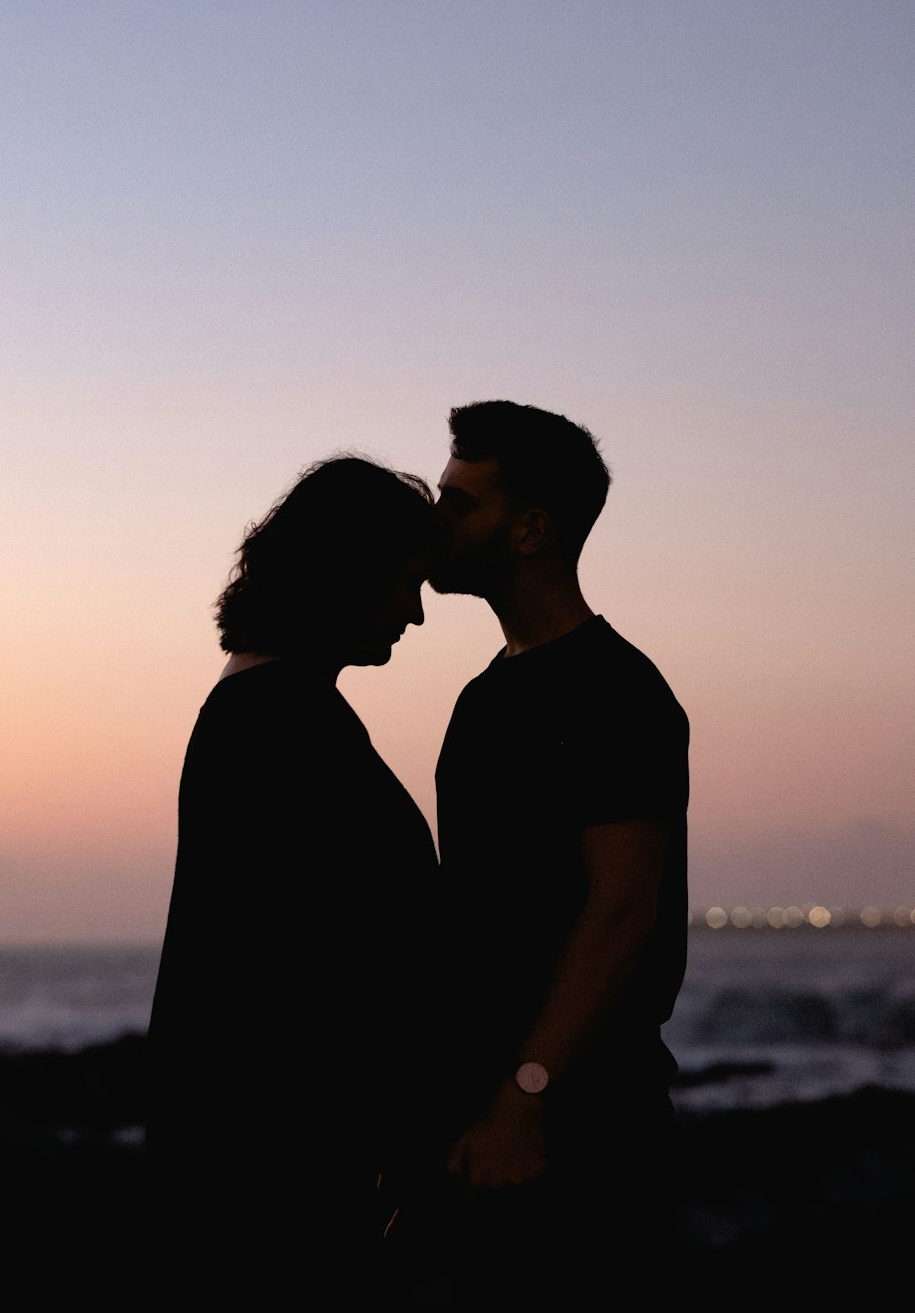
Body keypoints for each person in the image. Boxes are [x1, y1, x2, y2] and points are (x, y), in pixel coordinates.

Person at [146, 455, 443, 1307]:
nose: (416, 614)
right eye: (404, 583)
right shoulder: (280, 723)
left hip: (267, 1171)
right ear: (346, 574)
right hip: (280, 1187)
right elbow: (306, 972)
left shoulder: (270, 707)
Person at [428, 400, 690, 1307]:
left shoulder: (616, 691)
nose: (436, 522)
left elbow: (622, 910)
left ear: (531, 529)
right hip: (494, 1118)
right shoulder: (482, 699)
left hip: (580, 1123)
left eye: (459, 504)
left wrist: (525, 1096)